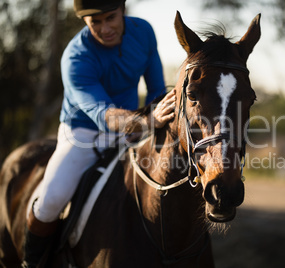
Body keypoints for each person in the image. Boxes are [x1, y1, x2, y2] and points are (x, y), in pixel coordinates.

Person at [22, 0, 175, 267]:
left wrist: (158, 114)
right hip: (83, 134)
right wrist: (148, 121)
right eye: (96, 22)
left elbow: (156, 91)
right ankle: (31, 263)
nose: (105, 28)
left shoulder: (144, 32)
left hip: (134, 128)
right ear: (85, 22)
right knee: (50, 200)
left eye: (110, 18)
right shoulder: (75, 57)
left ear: (123, 10)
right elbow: (103, 115)